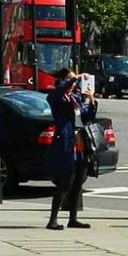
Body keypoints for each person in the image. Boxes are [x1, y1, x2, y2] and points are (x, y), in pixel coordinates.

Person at [45, 69, 93, 231]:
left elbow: (86, 117)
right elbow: (60, 91)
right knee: (66, 182)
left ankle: (73, 218)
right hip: (66, 143)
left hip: (80, 143)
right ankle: (53, 219)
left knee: (79, 181)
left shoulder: (75, 98)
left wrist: (90, 101)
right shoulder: (56, 97)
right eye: (70, 79)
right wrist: (74, 78)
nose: (75, 82)